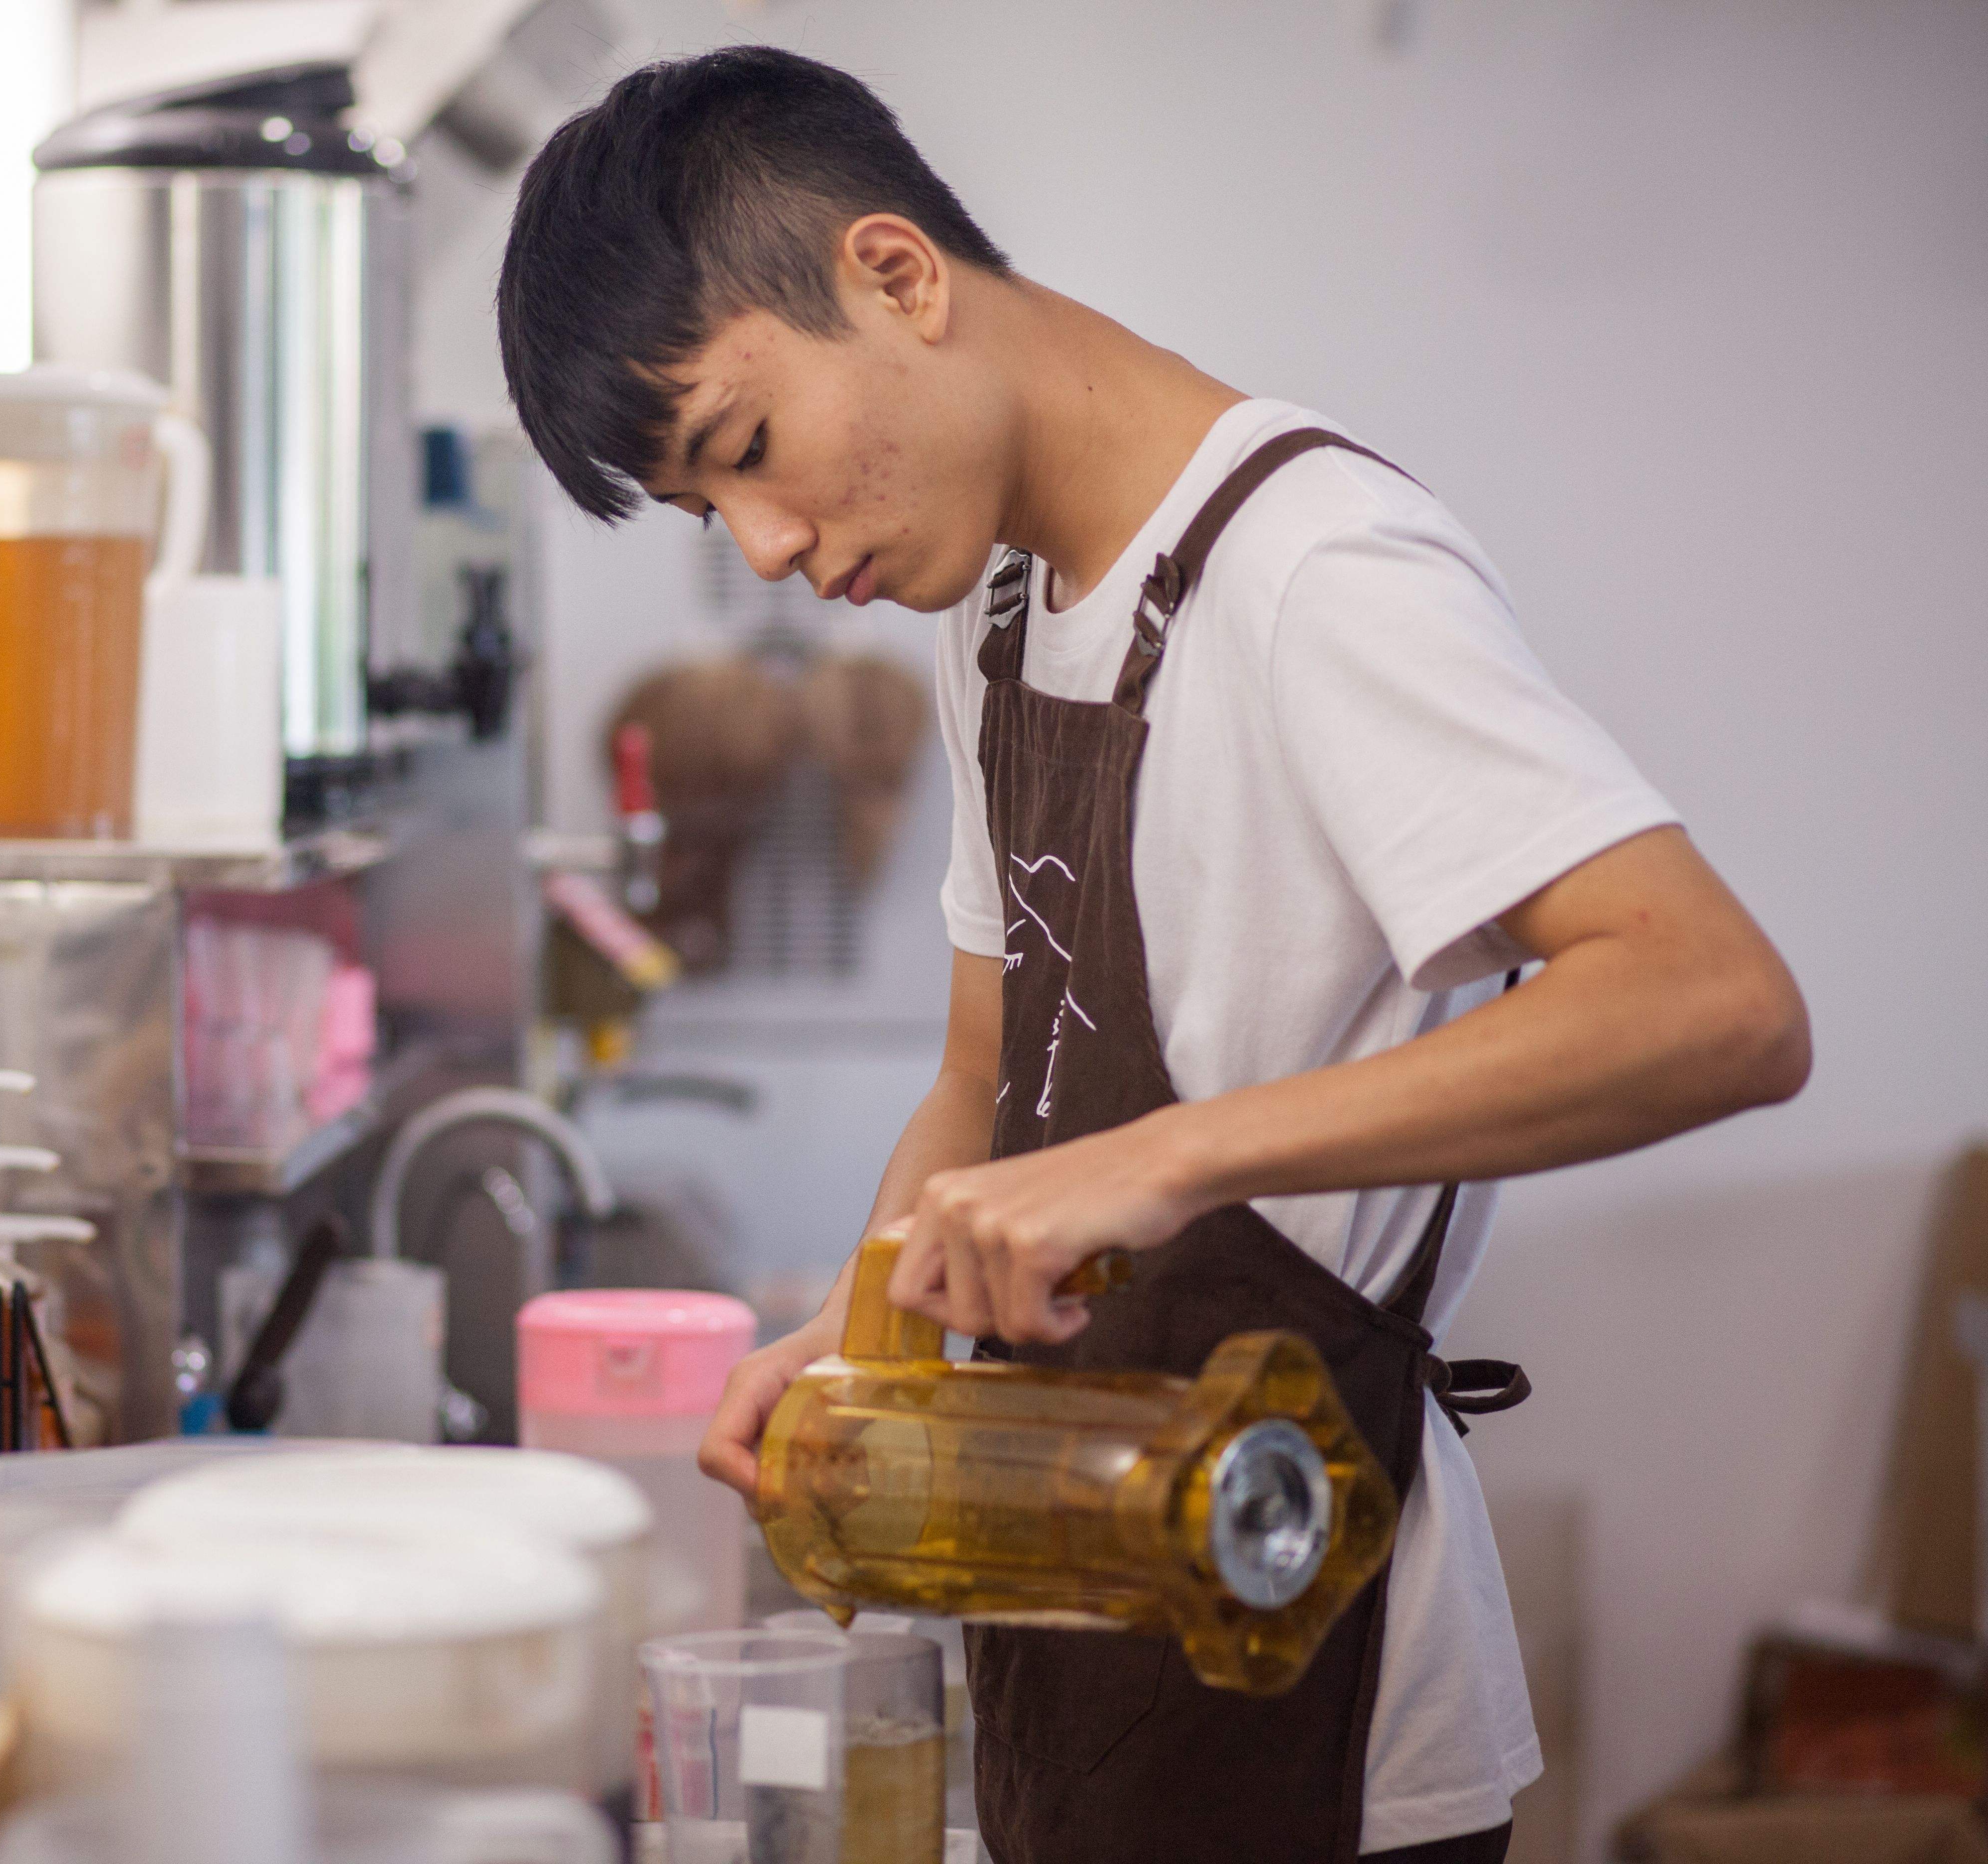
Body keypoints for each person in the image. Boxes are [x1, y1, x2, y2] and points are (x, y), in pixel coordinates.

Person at [495, 45, 1809, 1864]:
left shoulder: (1317, 571)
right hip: (1082, 1620)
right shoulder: (1003, 600)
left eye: (745, 453)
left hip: (1316, 1675)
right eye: (710, 513)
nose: (771, 547)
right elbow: (984, 1068)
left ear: (897, 276)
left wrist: (1166, 1158)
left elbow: (1714, 1001)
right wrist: (862, 1339)